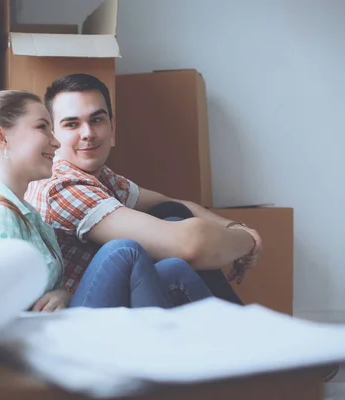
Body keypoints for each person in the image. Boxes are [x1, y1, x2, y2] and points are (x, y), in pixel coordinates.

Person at [0, 89, 213, 311]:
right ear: (1, 137)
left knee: (174, 268)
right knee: (123, 251)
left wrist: (63, 295)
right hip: (41, 340)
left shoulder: (22, 208)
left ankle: (235, 349)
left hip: (60, 317)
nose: (55, 142)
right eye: (43, 128)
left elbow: (48, 289)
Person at [25, 74, 263, 305]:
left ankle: (236, 329)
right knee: (175, 266)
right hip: (79, 312)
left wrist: (233, 227)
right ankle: (241, 334)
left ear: (112, 125)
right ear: (53, 136)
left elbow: (171, 203)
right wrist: (247, 242)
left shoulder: (100, 176)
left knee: (170, 211)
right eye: (72, 124)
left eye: (97, 120)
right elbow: (191, 245)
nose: (88, 133)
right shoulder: (63, 186)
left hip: (105, 297)